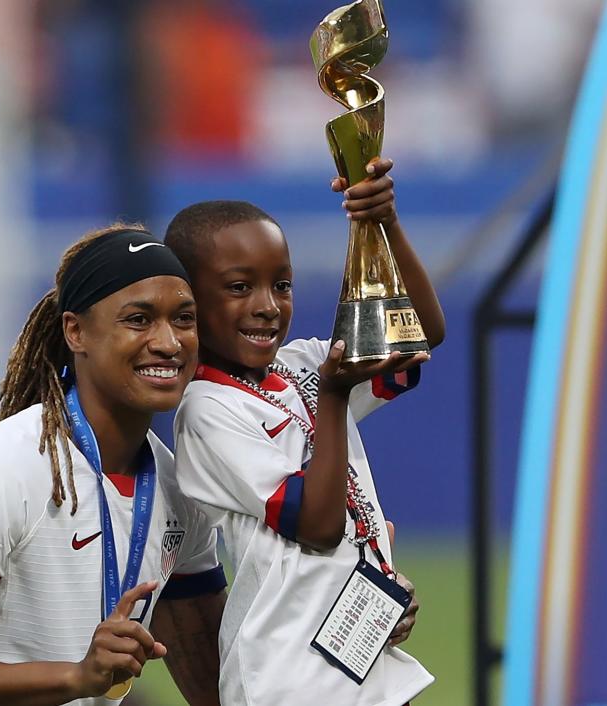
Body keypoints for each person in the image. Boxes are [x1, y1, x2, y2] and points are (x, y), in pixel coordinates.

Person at [0, 224, 227, 706]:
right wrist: (75, 678)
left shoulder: (178, 487)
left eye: (184, 319)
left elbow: (213, 677)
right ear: (76, 331)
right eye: (139, 319)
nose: (169, 342)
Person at [164, 157, 445, 706]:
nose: (267, 306)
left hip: (362, 665)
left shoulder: (302, 366)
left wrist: (382, 223)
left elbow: (420, 332)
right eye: (240, 287)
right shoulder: (206, 410)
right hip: (288, 677)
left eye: (282, 285)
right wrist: (335, 395)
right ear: (189, 302)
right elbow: (315, 525)